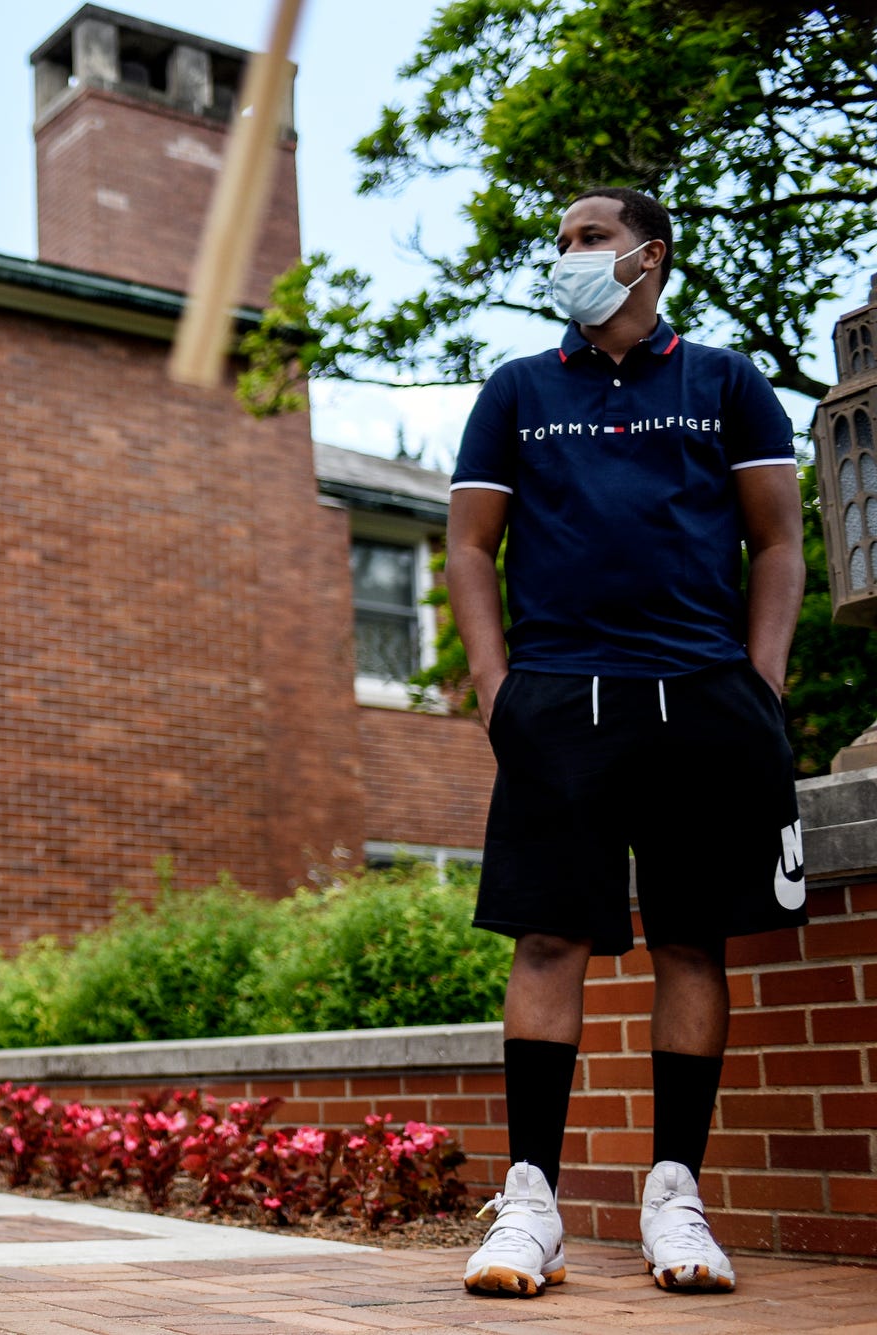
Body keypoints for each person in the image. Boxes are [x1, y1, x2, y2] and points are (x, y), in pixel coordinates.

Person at [449, 188, 806, 1298]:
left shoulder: (726, 382)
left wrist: (758, 684)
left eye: (588, 238)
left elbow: (778, 540)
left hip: (702, 697)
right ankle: (530, 1208)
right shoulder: (517, 390)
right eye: (561, 242)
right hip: (560, 698)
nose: (567, 255)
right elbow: (468, 547)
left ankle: (675, 1199)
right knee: (546, 941)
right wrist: (498, 689)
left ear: (647, 256)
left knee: (691, 942)